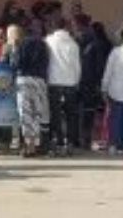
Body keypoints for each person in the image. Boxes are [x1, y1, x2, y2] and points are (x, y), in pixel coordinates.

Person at [10, 24, 51, 157]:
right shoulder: (44, 45)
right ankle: (36, 144)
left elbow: (15, 64)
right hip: (39, 80)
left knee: (25, 113)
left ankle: (29, 145)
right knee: (37, 113)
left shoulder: (21, 45)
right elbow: (47, 64)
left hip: (24, 80)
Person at [45, 19, 81, 156]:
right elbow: (77, 66)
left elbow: (46, 61)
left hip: (54, 82)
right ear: (66, 28)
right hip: (70, 83)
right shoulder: (73, 44)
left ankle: (57, 142)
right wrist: (76, 80)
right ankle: (69, 142)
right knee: (70, 115)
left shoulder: (48, 41)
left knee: (55, 114)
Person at [79, 20, 112, 151]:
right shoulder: (107, 45)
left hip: (91, 83)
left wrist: (98, 82)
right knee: (101, 112)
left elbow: (98, 66)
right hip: (98, 82)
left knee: (90, 112)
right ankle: (100, 138)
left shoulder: (93, 46)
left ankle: (90, 139)